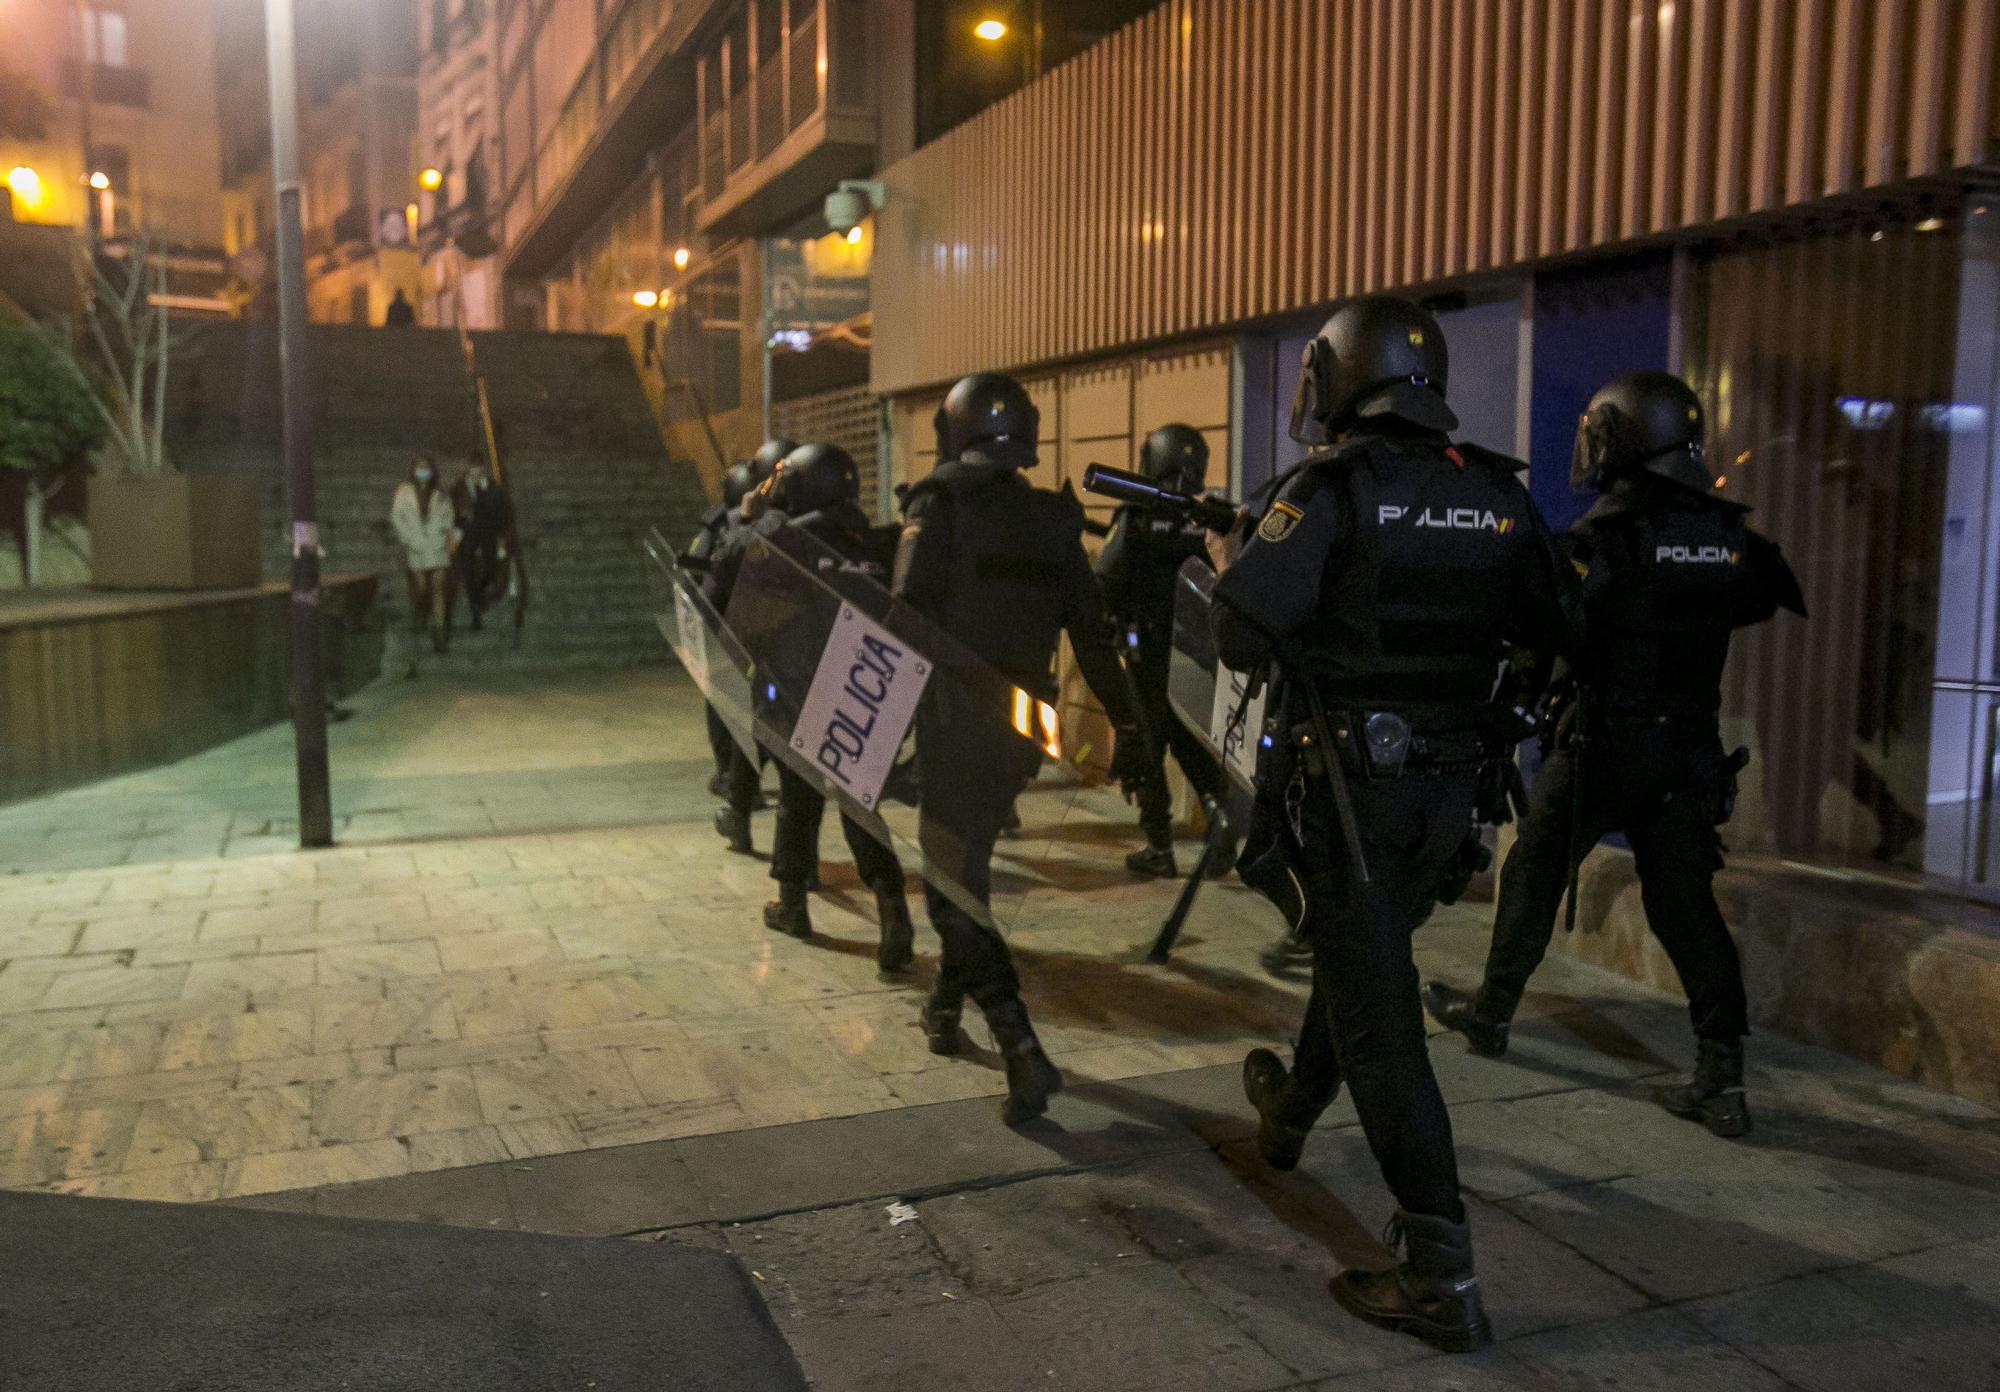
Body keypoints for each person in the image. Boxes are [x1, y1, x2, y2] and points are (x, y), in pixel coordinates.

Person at [1210, 296, 1576, 1353]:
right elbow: (1564, 632)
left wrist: (1235, 557)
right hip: (1447, 803)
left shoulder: (1328, 488)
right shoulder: (1497, 493)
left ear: (1332, 377)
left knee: (1380, 1023)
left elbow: (1239, 639)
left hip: (1351, 803)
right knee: (1360, 960)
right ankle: (1283, 1118)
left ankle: (1439, 1275)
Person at [1425, 372, 1805, 1139]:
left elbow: (1549, 624)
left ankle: (1492, 1015)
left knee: (1533, 867)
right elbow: (1761, 598)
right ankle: (1722, 1073)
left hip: (1604, 743)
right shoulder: (1732, 539)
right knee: (1684, 906)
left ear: (1620, 440)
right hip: (1690, 749)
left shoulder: (1607, 539)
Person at [893, 372, 1149, 1125]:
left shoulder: (937, 506)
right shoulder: (1051, 519)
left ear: (953, 429)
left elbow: (902, 623)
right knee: (964, 864)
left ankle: (1019, 1045)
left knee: (950, 887)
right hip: (1022, 728)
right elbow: (1094, 639)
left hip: (954, 721)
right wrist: (1131, 727)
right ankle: (944, 1010)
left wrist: (884, 738)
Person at [751, 443, 916, 972]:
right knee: (859, 805)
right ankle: (893, 912)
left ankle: (793, 904)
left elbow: (751, 605)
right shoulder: (880, 540)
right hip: (867, 688)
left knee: (797, 802)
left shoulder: (787, 540)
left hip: (800, 686)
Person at [1094, 424, 1234, 878]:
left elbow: (1106, 578)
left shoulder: (1137, 514)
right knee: (1191, 737)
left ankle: (1159, 848)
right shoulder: (1211, 515)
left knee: (1149, 745)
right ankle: (1220, 815)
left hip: (1147, 650)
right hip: (1199, 654)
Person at [707, 437, 797, 850]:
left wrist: (743, 522)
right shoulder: (822, 526)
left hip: (773, 655)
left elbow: (723, 574)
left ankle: (741, 815)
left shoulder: (768, 530)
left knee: (757, 733)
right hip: (815, 661)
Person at [692, 460, 760, 798]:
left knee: (724, 703)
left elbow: (696, 568)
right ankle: (739, 776)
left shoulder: (722, 526)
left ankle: (731, 774)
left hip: (725, 627)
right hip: (747, 626)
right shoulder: (749, 524)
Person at [390, 455, 457, 675]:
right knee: (421, 590)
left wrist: (448, 537)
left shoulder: (440, 493)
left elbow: (449, 517)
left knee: (438, 587)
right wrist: (408, 539)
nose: (423, 471)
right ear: (413, 470)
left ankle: (439, 634)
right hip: (417, 546)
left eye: (426, 467)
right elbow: (397, 517)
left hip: (437, 545)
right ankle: (417, 626)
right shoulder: (404, 492)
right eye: (419, 467)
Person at [454, 458, 512, 633]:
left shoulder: (493, 488)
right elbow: (456, 512)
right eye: (472, 470)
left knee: (491, 566)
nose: (475, 474)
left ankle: (481, 596)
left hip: (488, 533)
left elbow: (501, 512)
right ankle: (475, 614)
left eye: (478, 470)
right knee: (469, 572)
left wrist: (502, 535)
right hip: (468, 535)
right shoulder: (459, 488)